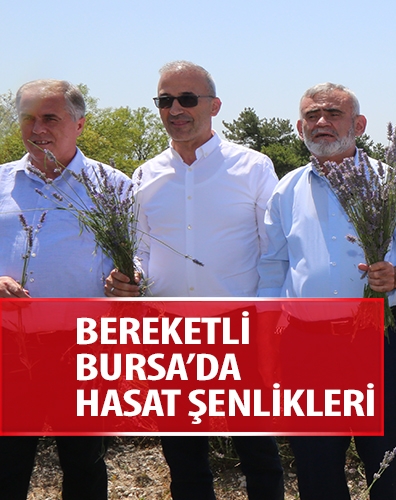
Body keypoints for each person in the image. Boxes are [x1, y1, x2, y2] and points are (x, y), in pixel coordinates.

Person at [105, 61, 284, 500]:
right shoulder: (145, 175)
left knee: (258, 452)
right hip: (168, 334)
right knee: (183, 458)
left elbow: (273, 251)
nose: (175, 109)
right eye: (165, 100)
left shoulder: (253, 167)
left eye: (187, 99)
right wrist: (132, 278)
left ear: (214, 105)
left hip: (239, 329)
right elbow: (142, 250)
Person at [257, 82, 396, 499]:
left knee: (389, 463)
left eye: (333, 114)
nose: (321, 122)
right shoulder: (287, 190)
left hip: (379, 338)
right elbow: (272, 267)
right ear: (299, 127)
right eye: (311, 116)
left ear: (359, 124)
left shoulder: (392, 183)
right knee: (316, 466)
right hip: (305, 345)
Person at [0, 79, 116, 500]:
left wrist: (129, 277)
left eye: (50, 117)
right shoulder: (1, 182)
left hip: (84, 347)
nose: (37, 129)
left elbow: (139, 254)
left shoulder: (112, 185)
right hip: (8, 349)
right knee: (6, 464)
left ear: (80, 124)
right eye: (28, 118)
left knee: (85, 464)